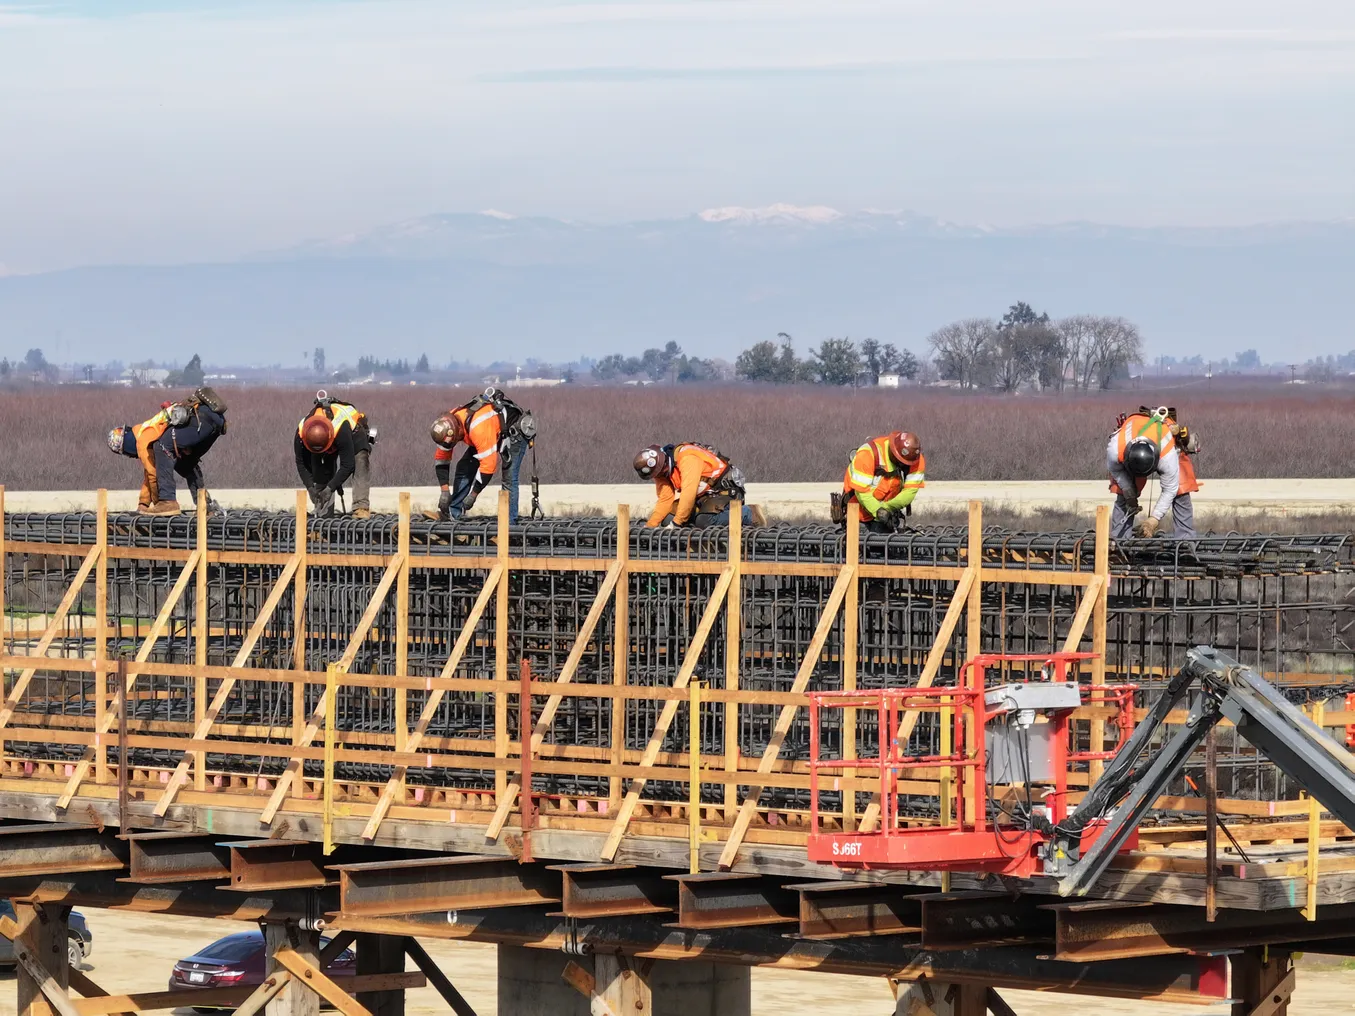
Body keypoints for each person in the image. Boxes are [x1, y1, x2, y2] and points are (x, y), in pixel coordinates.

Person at [106, 387, 227, 515]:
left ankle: (168, 502)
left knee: (161, 446)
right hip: (213, 421)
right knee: (184, 463)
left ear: (126, 448)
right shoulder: (145, 430)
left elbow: (153, 475)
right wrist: (143, 504)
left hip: (200, 418)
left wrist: (159, 504)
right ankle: (205, 506)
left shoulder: (141, 441)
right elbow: (150, 473)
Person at [430, 387, 535, 522]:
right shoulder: (448, 424)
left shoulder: (478, 430)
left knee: (509, 477)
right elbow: (442, 459)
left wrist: (473, 495)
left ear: (458, 432)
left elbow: (488, 467)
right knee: (464, 468)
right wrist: (444, 491)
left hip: (515, 430)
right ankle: (453, 513)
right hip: (491, 431)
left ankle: (509, 526)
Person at [634, 443, 765, 528]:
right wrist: (650, 526)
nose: (660, 476)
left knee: (704, 521)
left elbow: (688, 492)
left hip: (725, 491)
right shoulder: (661, 473)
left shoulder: (687, 457)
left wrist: (677, 523)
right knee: (667, 517)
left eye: (660, 472)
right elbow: (665, 499)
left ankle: (749, 513)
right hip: (703, 498)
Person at [1107, 406, 1182, 539]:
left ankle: (1186, 542)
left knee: (1182, 489)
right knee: (1121, 494)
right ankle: (1119, 542)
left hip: (1165, 433)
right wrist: (1128, 491)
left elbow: (1170, 489)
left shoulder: (1167, 456)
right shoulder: (1116, 450)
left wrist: (1154, 519)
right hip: (1134, 426)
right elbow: (1115, 470)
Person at [295, 392, 374, 518]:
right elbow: (301, 463)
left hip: (354, 433)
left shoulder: (340, 428)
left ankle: (361, 507)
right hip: (327, 440)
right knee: (321, 469)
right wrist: (310, 487)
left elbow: (347, 465)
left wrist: (330, 488)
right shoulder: (301, 432)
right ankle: (323, 512)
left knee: (361, 460)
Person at [834, 431, 925, 533]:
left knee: (885, 545)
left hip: (887, 516)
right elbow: (861, 493)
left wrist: (887, 509)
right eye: (900, 461)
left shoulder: (915, 460)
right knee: (861, 546)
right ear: (893, 451)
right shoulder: (868, 455)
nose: (903, 465)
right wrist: (879, 511)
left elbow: (909, 493)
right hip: (858, 513)